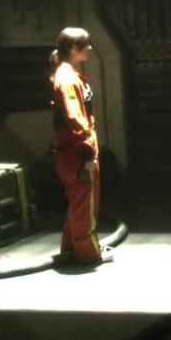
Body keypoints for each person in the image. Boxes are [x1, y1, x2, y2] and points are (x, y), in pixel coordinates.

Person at [50, 27, 113, 264]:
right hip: (76, 154)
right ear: (72, 48)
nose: (89, 48)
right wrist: (87, 152)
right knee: (85, 203)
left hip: (73, 151)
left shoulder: (70, 75)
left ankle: (71, 250)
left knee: (78, 202)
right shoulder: (67, 79)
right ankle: (88, 253)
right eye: (85, 45)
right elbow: (75, 117)